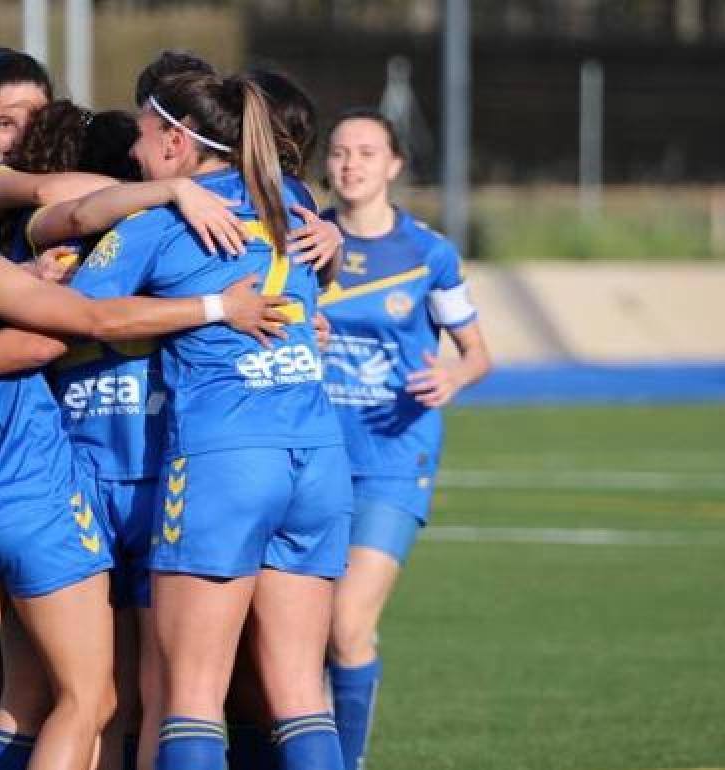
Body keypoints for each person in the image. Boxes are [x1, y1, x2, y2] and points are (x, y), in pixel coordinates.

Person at [0, 137, 289, 770]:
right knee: (87, 699)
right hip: (28, 500)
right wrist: (219, 307)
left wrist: (23, 286)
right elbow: (80, 329)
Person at [67, 72, 354, 770]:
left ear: (175, 139)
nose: (134, 151)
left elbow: (77, 319)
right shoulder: (293, 202)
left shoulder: (159, 226)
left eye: (140, 133)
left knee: (191, 697)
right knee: (300, 695)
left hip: (225, 461)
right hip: (316, 458)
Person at [318, 110, 491, 770]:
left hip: (394, 459)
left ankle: (347, 761)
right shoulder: (305, 243)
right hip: (311, 458)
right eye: (337, 152)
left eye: (365, 152)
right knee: (297, 636)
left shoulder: (427, 255)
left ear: (394, 165)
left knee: (346, 624)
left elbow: (478, 353)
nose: (350, 164)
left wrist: (455, 370)